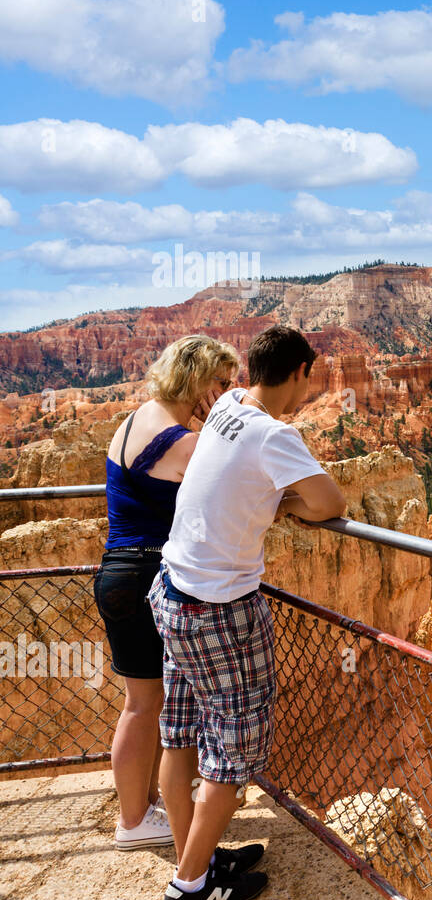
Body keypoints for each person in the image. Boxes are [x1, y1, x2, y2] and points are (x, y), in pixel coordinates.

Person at [148, 325, 346, 900]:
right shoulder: (273, 433)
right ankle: (189, 890)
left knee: (181, 731)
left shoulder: (230, 405)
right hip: (219, 611)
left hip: (173, 593)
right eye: (311, 377)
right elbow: (330, 503)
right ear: (301, 373)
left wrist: (268, 499)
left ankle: (198, 859)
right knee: (234, 750)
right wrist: (284, 501)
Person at [94, 334, 239, 850]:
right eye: (221, 383)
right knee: (144, 703)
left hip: (119, 572)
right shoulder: (183, 442)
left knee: (146, 702)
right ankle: (135, 822)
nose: (226, 394)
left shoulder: (136, 419)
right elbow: (231, 490)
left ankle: (145, 810)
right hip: (143, 579)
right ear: (197, 378)